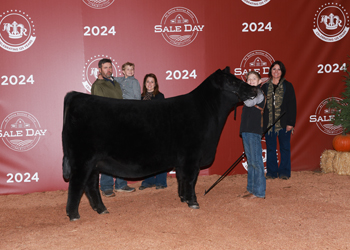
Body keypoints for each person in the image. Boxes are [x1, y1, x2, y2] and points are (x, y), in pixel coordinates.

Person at [91, 58, 136, 197]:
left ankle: (121, 184)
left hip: (119, 124)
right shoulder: (98, 85)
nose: (108, 70)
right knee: (107, 157)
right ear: (99, 70)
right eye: (105, 68)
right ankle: (106, 186)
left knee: (121, 156)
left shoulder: (116, 83)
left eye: (110, 67)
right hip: (106, 126)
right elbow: (99, 106)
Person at [261, 61, 297, 180]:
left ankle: (284, 172)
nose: (276, 71)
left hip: (284, 123)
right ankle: (271, 173)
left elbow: (292, 105)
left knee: (285, 148)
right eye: (274, 69)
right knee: (271, 148)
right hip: (269, 124)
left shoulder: (288, 86)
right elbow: (261, 105)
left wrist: (291, 123)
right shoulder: (265, 87)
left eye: (279, 69)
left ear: (282, 72)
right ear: (270, 71)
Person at [138, 73, 167, 190]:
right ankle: (148, 181)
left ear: (155, 84)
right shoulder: (140, 97)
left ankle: (161, 181)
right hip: (144, 131)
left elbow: (161, 114)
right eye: (147, 82)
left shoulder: (160, 96)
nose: (149, 84)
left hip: (157, 130)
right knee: (146, 157)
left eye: (152, 82)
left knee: (160, 157)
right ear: (144, 84)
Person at [240, 71, 266, 199]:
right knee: (251, 162)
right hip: (246, 130)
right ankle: (251, 188)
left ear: (260, 81)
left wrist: (242, 93)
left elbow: (249, 103)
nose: (251, 81)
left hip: (254, 131)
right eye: (249, 79)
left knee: (256, 162)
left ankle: (259, 192)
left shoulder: (259, 93)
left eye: (254, 79)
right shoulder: (250, 93)